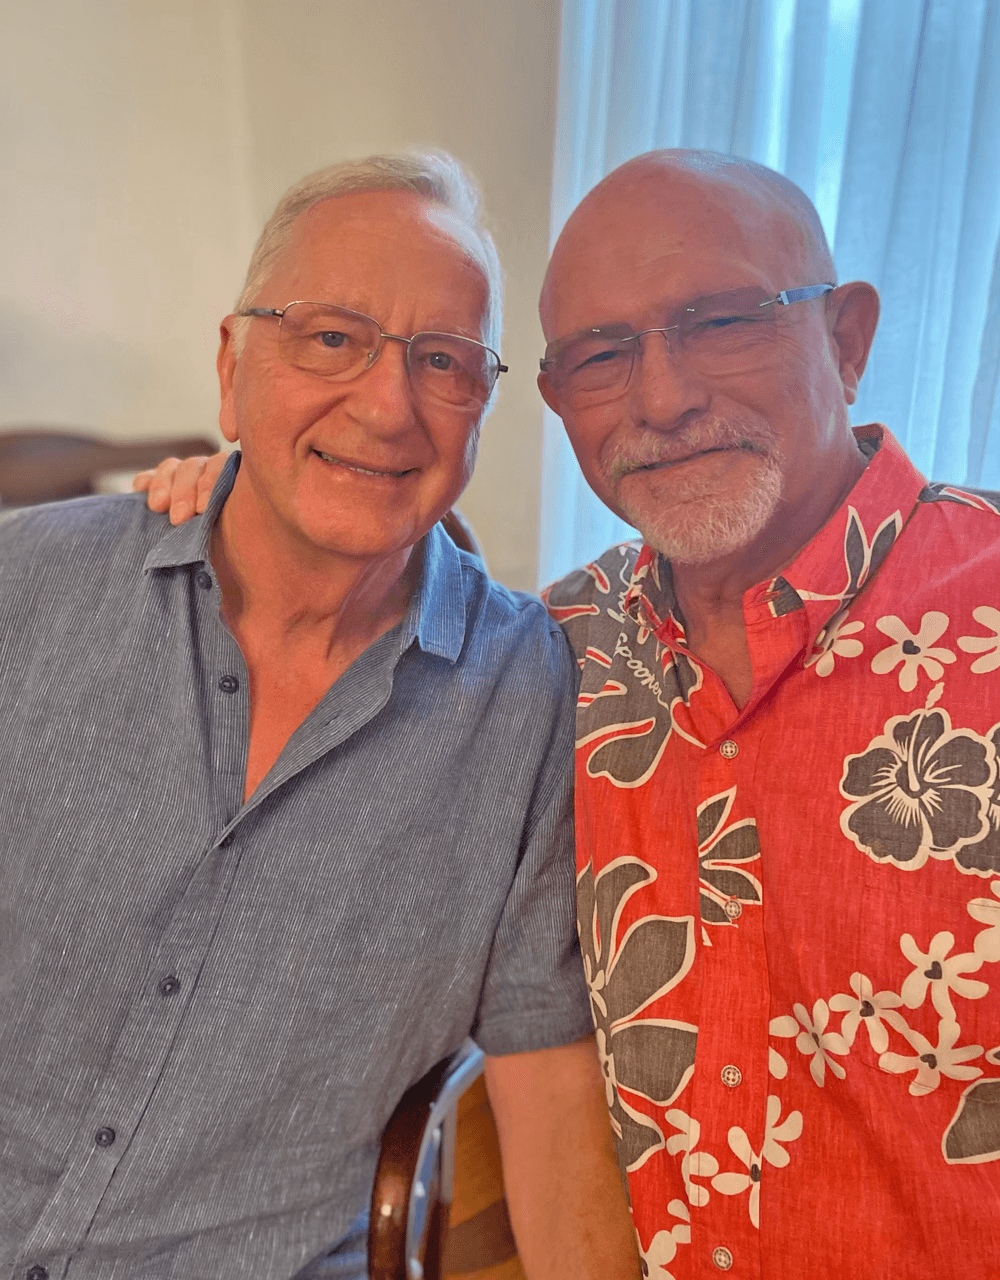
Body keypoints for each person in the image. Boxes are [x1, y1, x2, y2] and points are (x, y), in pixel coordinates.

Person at [145, 149, 1000, 1277]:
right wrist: (236, 491)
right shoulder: (554, 652)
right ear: (551, 400)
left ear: (845, 339)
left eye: (722, 320)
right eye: (602, 353)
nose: (661, 396)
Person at [0, 153, 639, 1280]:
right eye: (331, 336)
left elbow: (543, 1079)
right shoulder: (28, 589)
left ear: (482, 410)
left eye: (441, 361)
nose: (387, 405)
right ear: (230, 367)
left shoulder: (527, 693)